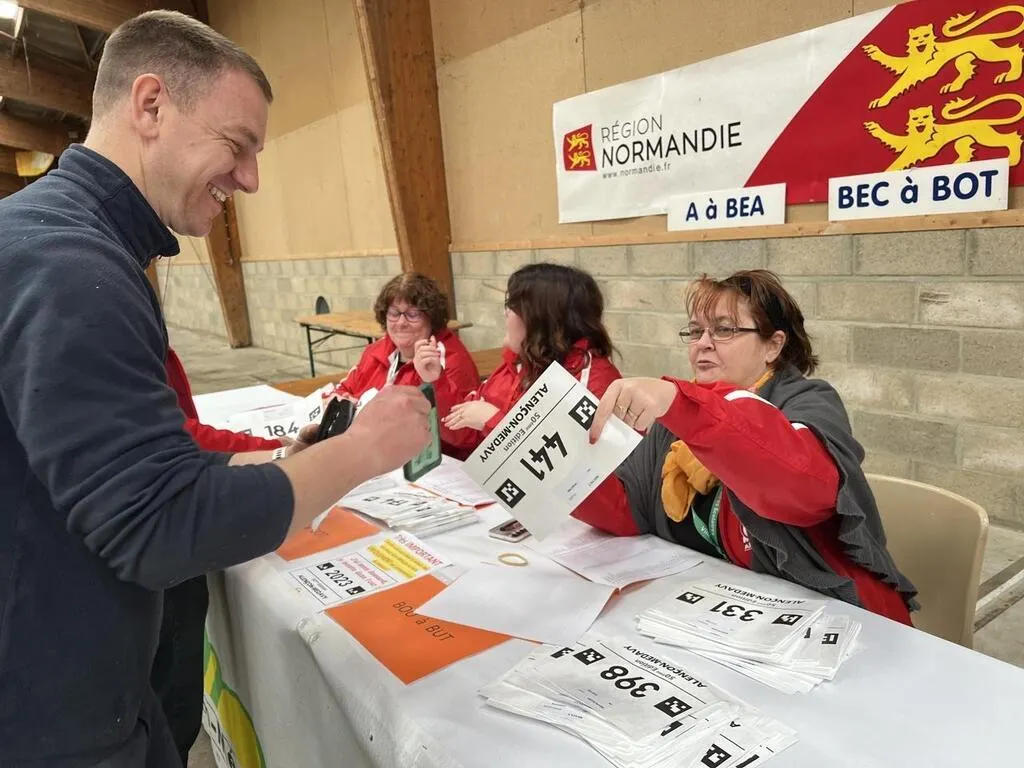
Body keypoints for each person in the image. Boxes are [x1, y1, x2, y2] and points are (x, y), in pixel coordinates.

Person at [0, 11, 430, 768]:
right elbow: (158, 524)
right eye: (238, 145)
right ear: (151, 105)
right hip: (51, 714)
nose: (251, 179)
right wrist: (360, 452)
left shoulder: (61, 241)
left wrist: (282, 462)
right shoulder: (71, 270)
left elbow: (123, 463)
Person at [581, 269, 917, 623]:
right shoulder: (676, 417)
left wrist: (686, 407)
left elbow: (801, 484)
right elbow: (630, 508)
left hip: (843, 621)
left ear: (773, 345)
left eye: (724, 330)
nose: (703, 343)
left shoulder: (809, 401)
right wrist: (563, 467)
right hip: (727, 617)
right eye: (695, 331)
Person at [155, 347, 288, 766]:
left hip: (166, 542)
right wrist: (276, 456)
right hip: (157, 555)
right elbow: (169, 440)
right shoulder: (97, 321)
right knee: (166, 710)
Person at [441, 262, 622, 457]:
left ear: (541, 319)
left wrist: (495, 423)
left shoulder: (591, 378)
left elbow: (568, 464)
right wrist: (436, 382)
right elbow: (463, 431)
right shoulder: (519, 365)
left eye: (512, 306)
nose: (505, 313)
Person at [330, 272, 480, 435]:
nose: (401, 323)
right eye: (394, 313)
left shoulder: (451, 360)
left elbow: (463, 435)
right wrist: (348, 405)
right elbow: (342, 391)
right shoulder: (377, 350)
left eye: (413, 314)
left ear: (432, 318)